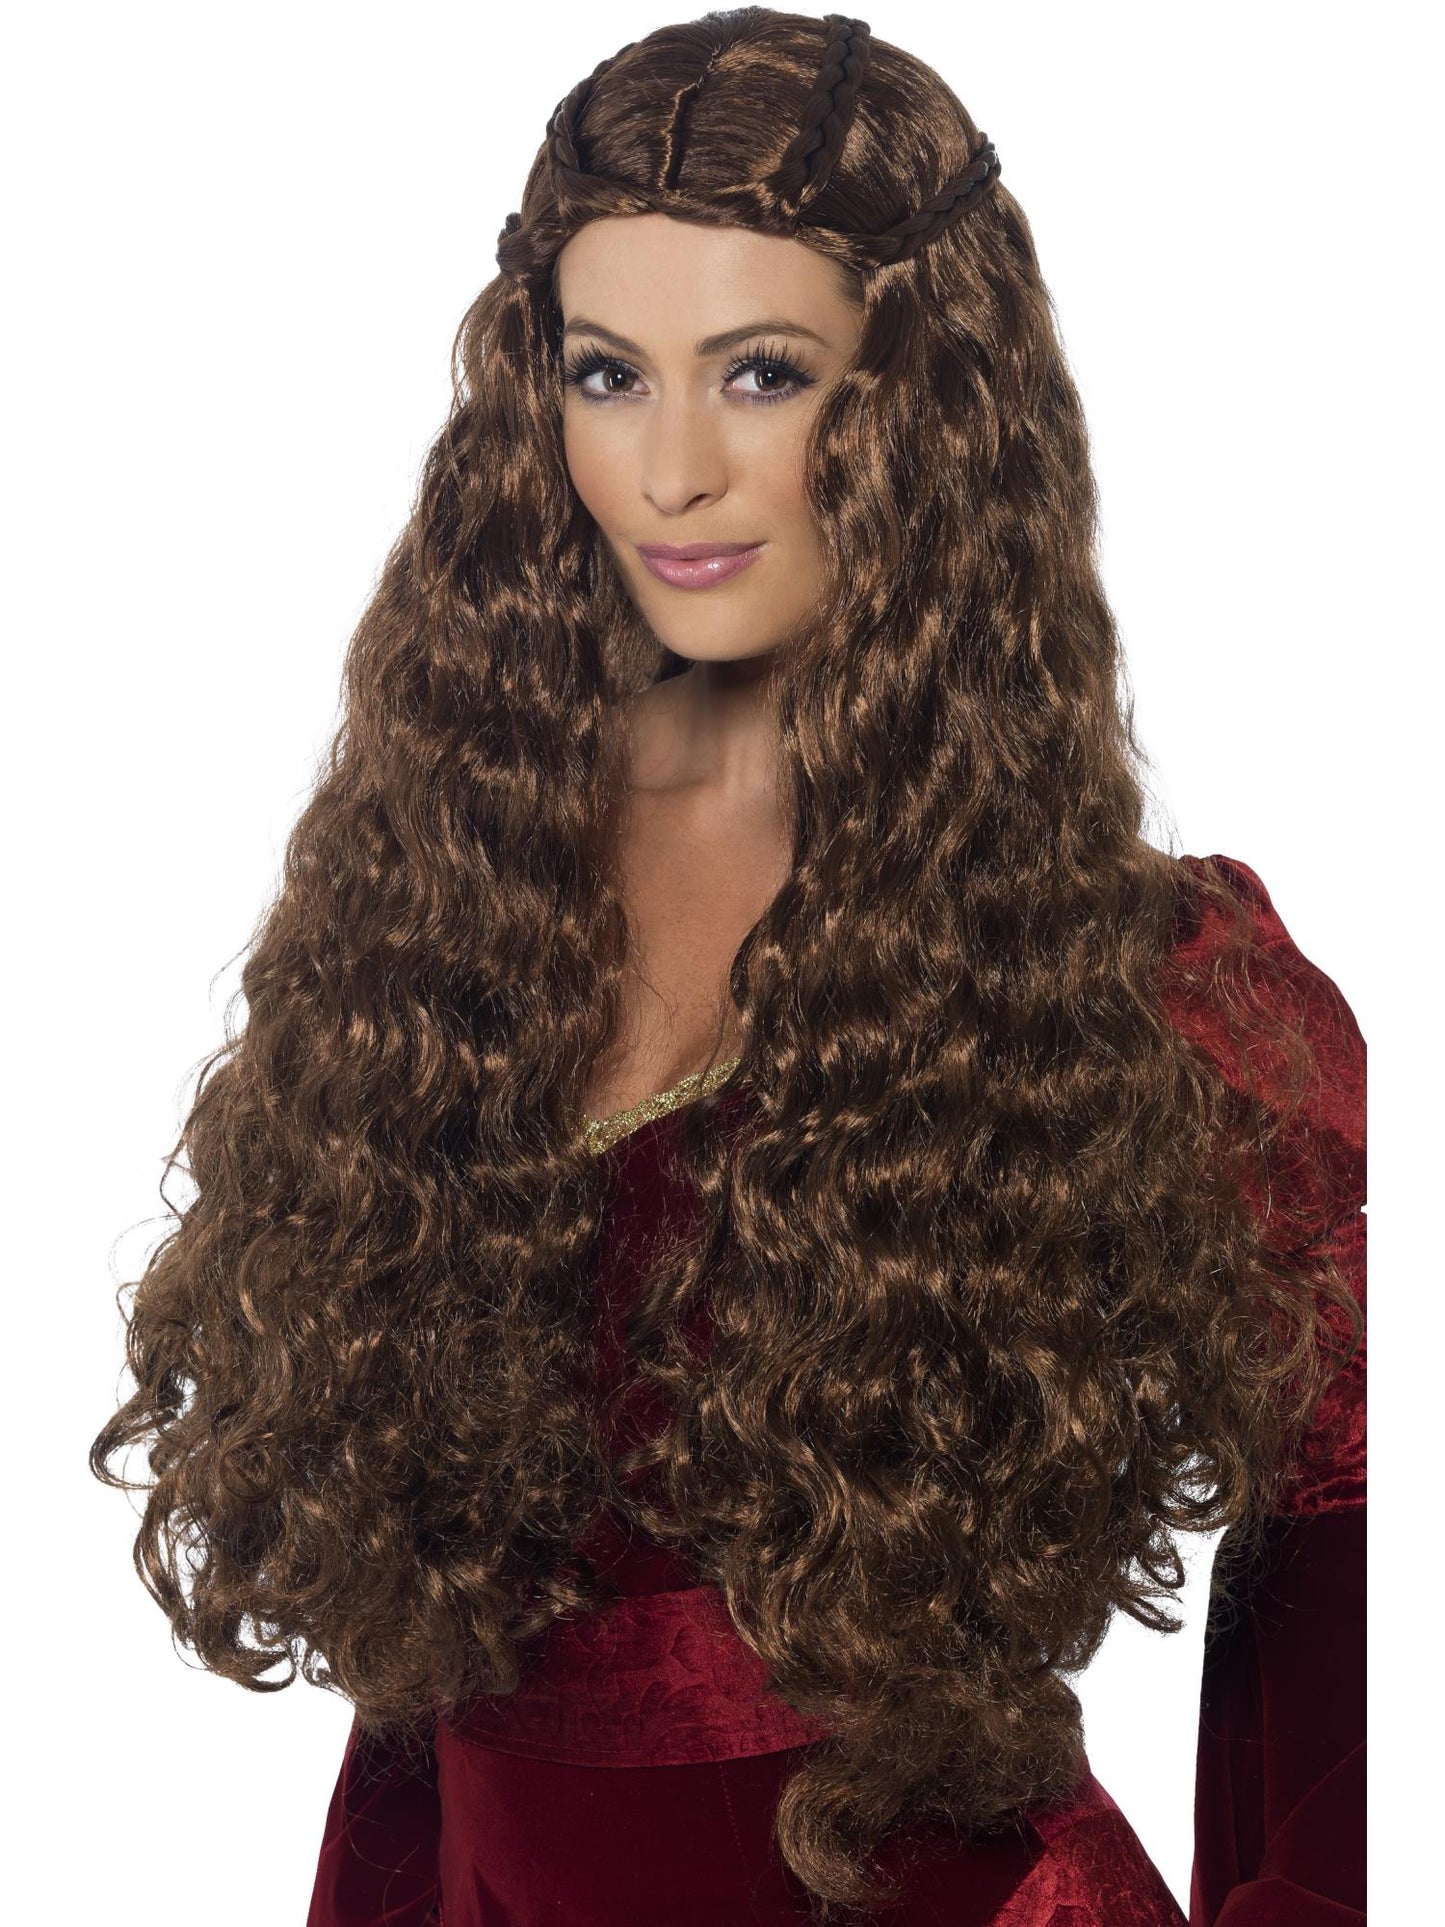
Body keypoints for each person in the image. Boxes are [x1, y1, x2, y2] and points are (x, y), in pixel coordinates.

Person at [88, 10, 1365, 1924]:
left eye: (762, 373)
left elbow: (1355, 1598)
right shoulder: (441, 898)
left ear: (921, 406)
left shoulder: (1147, 981)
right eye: (608, 374)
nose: (671, 471)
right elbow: (431, 1669)